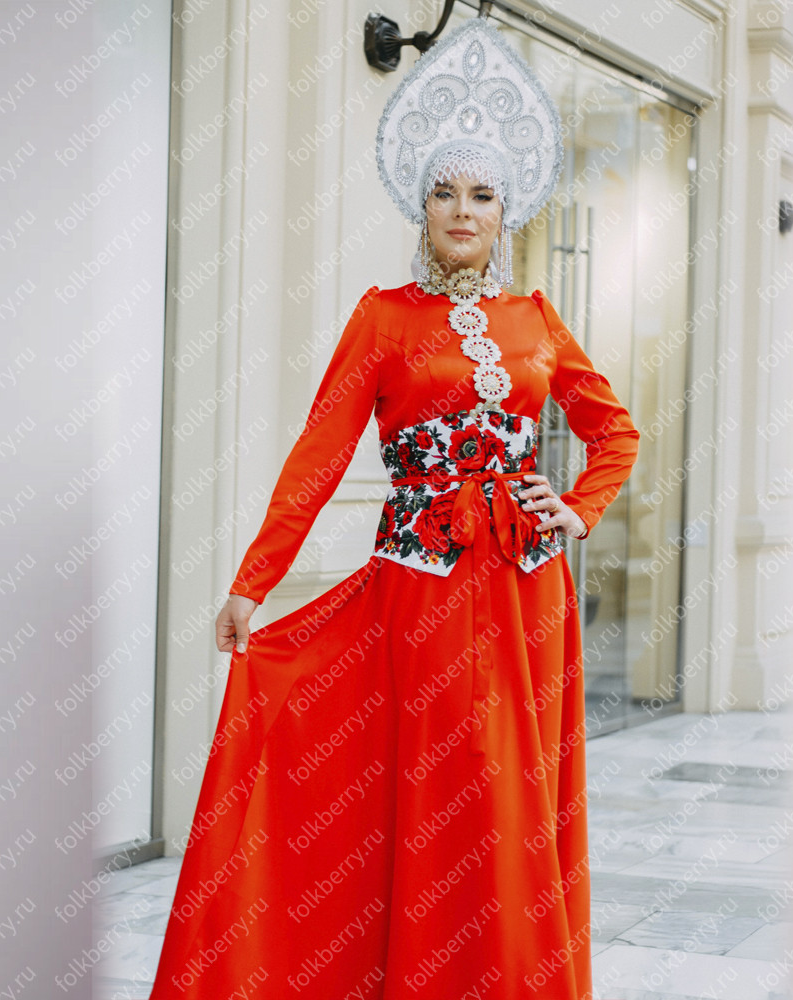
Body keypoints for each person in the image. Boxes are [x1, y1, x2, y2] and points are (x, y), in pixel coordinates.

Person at [148, 17, 639, 1000]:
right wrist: (253, 582)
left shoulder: (538, 319)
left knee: (513, 798)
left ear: (506, 212)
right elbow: (318, 457)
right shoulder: (382, 318)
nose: (463, 210)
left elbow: (614, 431)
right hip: (423, 597)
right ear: (422, 206)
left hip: (529, 598)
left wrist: (577, 511)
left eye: (482, 194)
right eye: (445, 192)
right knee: (448, 791)